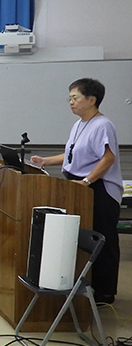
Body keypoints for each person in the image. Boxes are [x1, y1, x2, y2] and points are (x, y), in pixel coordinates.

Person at [30, 78, 122, 304]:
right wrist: (46, 161)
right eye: (69, 98)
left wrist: (87, 181)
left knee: (102, 238)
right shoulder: (79, 124)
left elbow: (108, 157)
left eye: (75, 98)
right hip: (80, 186)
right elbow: (74, 154)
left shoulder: (102, 125)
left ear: (91, 100)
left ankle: (104, 292)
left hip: (99, 189)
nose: (71, 102)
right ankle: (85, 286)